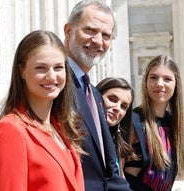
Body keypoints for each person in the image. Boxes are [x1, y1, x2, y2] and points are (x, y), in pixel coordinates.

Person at [0, 30, 85, 191]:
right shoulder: (10, 130)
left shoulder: (62, 128)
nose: (52, 77)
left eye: (58, 67)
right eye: (41, 68)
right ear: (22, 71)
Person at [63, 1, 131, 190]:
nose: (98, 41)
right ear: (69, 30)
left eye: (106, 35)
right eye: (90, 30)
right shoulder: (55, 86)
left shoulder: (94, 94)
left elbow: (108, 168)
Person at [124, 55, 184, 191]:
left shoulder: (172, 122)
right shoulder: (133, 120)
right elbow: (119, 174)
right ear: (145, 81)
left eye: (167, 79)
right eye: (153, 77)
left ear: (176, 84)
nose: (159, 84)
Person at [96, 77, 134, 177]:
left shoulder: (117, 144)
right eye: (112, 99)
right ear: (97, 96)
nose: (117, 108)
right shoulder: (81, 134)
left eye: (123, 106)